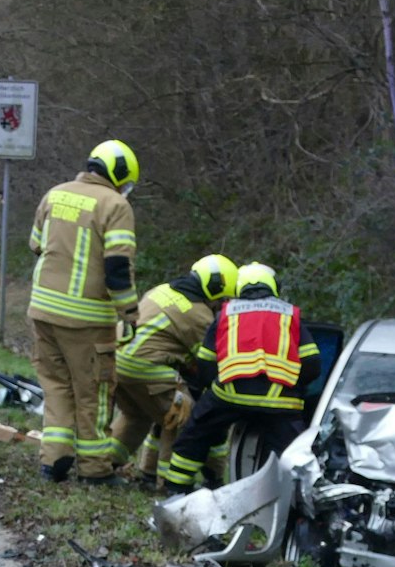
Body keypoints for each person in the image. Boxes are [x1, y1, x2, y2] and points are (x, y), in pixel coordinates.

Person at [26, 139, 139, 484]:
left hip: (42, 311)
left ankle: (54, 460)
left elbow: (34, 245)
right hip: (86, 320)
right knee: (94, 393)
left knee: (57, 386)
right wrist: (129, 314)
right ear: (120, 176)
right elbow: (117, 267)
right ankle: (95, 470)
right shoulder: (116, 205)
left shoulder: (55, 194)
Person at [167, 262, 321, 492]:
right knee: (293, 452)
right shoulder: (290, 314)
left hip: (230, 395)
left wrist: (214, 388)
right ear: (274, 286)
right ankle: (295, 497)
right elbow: (312, 364)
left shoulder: (226, 314)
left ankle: (177, 489)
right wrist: (293, 388)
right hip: (279, 401)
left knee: (195, 434)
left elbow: (206, 363)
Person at [109, 254, 237, 487]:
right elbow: (205, 362)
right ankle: (167, 481)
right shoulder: (199, 315)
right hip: (145, 368)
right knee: (182, 415)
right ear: (215, 290)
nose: (221, 305)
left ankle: (104, 465)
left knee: (136, 416)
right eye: (222, 299)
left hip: (115, 359)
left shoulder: (163, 289)